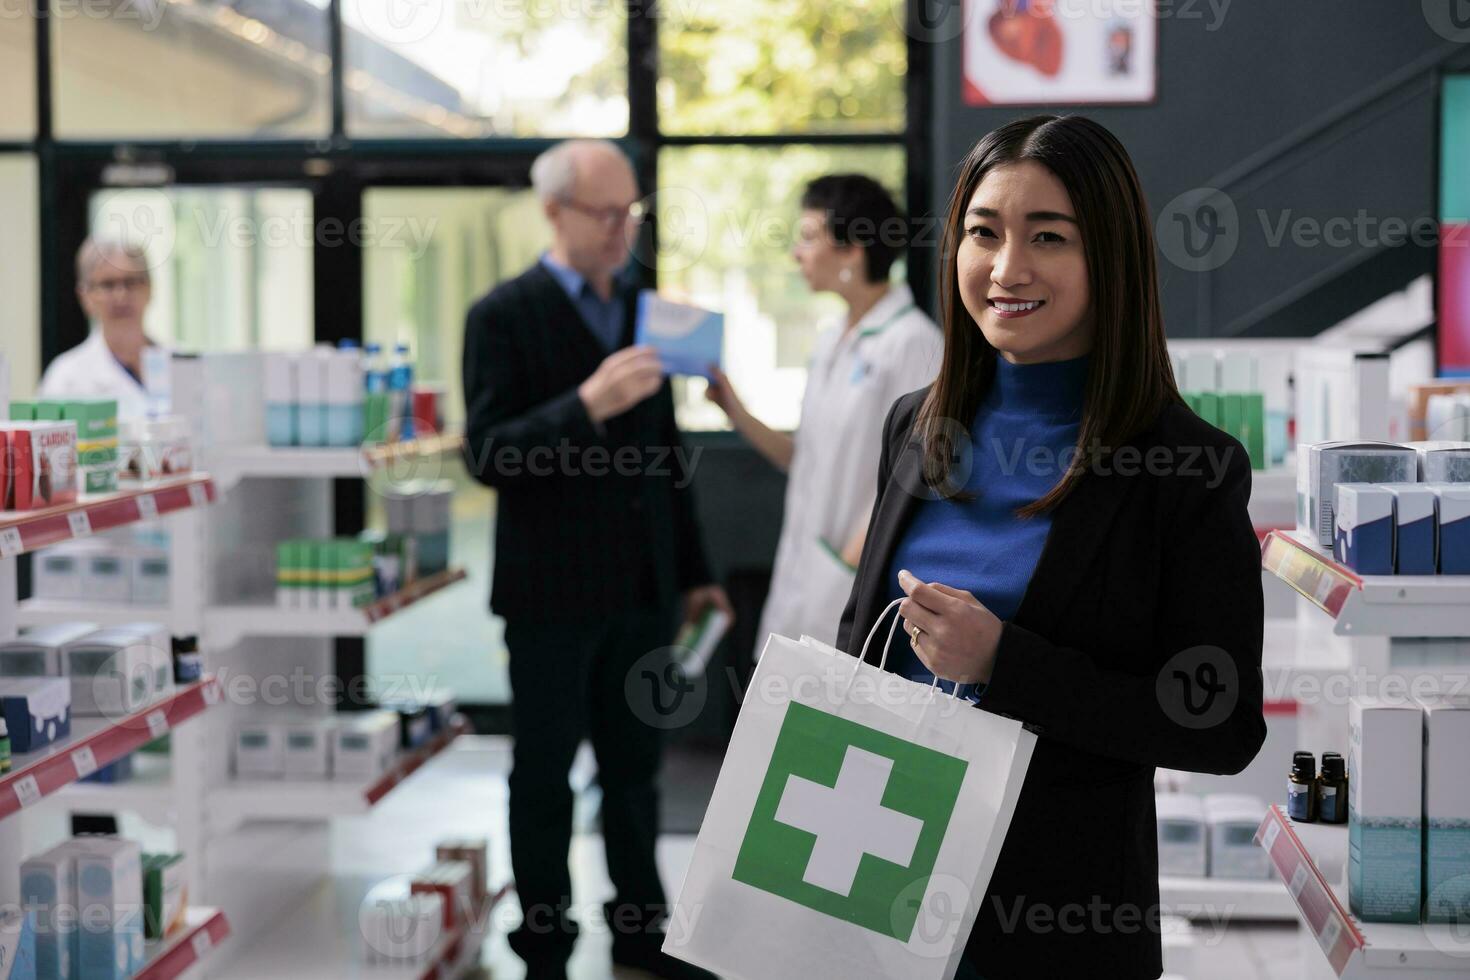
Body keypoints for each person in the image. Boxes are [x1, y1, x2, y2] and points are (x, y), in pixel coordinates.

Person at [836, 115, 1266, 977]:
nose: (1006, 269)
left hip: (1054, 923)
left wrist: (1006, 663)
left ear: (1109, 257)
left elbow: (1221, 727)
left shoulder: (1186, 469)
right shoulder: (916, 428)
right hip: (873, 886)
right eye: (984, 233)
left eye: (1048, 238)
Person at [461, 139, 730, 980]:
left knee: (636, 771)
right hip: (548, 593)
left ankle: (642, 935)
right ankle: (543, 942)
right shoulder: (502, 315)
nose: (624, 229)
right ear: (554, 212)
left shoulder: (647, 306)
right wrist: (584, 405)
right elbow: (489, 454)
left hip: (643, 587)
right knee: (542, 774)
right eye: (606, 214)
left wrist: (693, 570)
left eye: (632, 213)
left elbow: (665, 452)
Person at [707, 174, 941, 652]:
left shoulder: (913, 342)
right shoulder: (832, 338)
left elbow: (918, 473)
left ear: (853, 249)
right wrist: (735, 410)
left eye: (809, 237)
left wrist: (849, 566)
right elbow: (803, 457)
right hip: (807, 570)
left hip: (850, 580)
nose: (797, 253)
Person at [39, 237, 161, 417]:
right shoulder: (64, 379)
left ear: (149, 288)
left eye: (131, 282)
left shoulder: (182, 364)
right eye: (108, 285)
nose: (121, 296)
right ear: (85, 296)